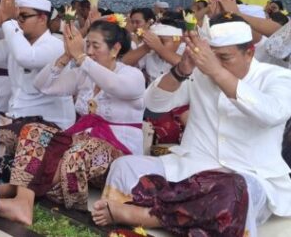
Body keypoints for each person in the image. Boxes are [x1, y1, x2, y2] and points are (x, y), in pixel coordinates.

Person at [92, 13, 291, 237]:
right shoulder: (200, 75)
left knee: (231, 192)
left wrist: (217, 71)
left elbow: (271, 113)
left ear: (250, 53)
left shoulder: (278, 77)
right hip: (190, 168)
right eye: (211, 57)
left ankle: (144, 216)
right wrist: (181, 71)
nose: (213, 64)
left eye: (224, 58)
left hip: (248, 176)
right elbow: (154, 104)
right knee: (124, 167)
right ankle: (136, 227)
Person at [0, 19, 145, 225]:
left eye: (95, 46)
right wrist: (66, 56)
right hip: (82, 141)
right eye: (87, 45)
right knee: (34, 131)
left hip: (119, 153)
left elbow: (114, 85)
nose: (90, 51)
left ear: (115, 49)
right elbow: (43, 86)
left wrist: (82, 57)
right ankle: (22, 201)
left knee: (79, 151)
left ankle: (9, 190)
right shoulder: (84, 74)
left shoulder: (132, 75)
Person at [0, 0, 74, 181]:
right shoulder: (15, 41)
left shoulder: (57, 46)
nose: (19, 22)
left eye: (23, 16)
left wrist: (9, 22)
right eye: (17, 17)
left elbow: (26, 57)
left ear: (43, 18)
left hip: (50, 128)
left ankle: (6, 189)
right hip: (16, 122)